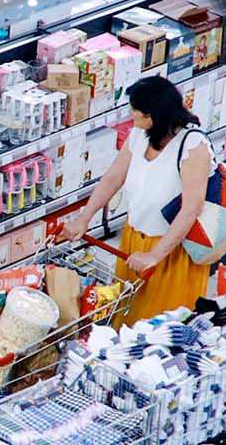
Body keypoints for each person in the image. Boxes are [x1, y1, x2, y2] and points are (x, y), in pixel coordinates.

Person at [63, 73, 213, 322]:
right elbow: (112, 178)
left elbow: (192, 208)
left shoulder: (192, 146)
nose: (131, 114)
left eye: (136, 110)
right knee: (126, 317)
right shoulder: (138, 135)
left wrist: (155, 255)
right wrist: (84, 218)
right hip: (134, 243)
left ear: (154, 115)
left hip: (172, 251)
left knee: (159, 328)